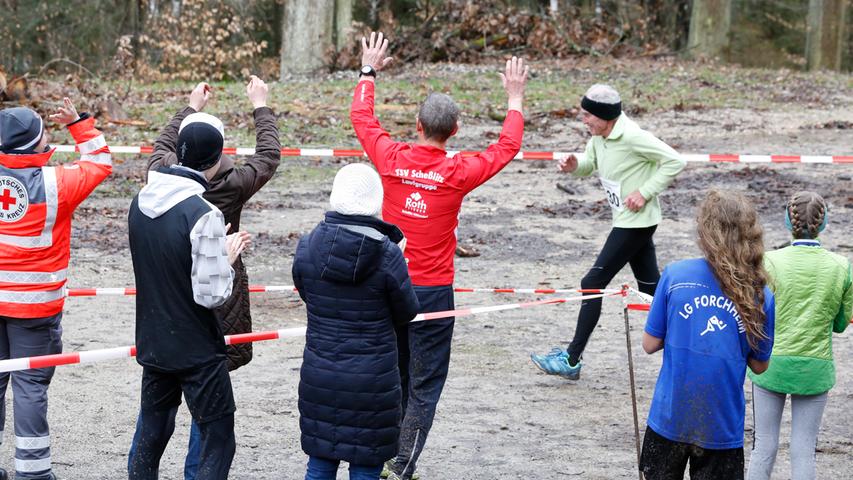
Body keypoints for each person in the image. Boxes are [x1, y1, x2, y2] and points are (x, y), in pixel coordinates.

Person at [350, 32, 528, 480]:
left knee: (391, 374)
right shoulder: (457, 171)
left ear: (416, 124)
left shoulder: (391, 157)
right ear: (455, 132)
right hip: (430, 294)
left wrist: (368, 71)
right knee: (423, 384)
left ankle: (379, 455)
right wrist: (515, 97)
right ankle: (399, 465)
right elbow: (506, 149)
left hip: (387, 286)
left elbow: (362, 117)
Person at [127, 76, 280, 480]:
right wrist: (227, 258)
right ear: (218, 158)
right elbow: (211, 292)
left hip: (155, 336)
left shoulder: (143, 196)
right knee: (216, 432)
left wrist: (190, 107)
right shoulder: (213, 207)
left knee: (152, 430)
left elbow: (162, 146)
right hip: (198, 340)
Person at [530, 84, 686, 380]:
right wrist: (576, 165)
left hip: (636, 222)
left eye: (588, 115)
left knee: (593, 281)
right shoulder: (598, 137)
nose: (583, 120)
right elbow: (591, 164)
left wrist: (645, 191)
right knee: (651, 289)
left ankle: (571, 359)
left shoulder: (634, 137)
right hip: (627, 220)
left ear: (606, 116)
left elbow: (675, 161)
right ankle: (688, 349)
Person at [0, 98, 112, 480]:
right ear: (34, 143)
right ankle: (32, 473)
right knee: (30, 386)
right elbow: (100, 162)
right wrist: (78, 124)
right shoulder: (56, 183)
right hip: (35, 308)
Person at [292, 163, 420, 480]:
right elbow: (407, 312)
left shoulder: (307, 247)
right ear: (375, 201)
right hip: (373, 382)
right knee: (366, 466)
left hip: (320, 375)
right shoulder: (388, 255)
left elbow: (307, 293)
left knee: (319, 463)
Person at [640, 189, 775, 480]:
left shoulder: (676, 275)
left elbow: (650, 343)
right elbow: (760, 366)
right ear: (750, 235)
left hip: (670, 415)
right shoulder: (759, 293)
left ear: (705, 231)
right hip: (722, 423)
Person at [746, 191, 851, 480]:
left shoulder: (768, 262)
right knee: (803, 450)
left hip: (771, 365)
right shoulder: (842, 266)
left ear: (786, 221)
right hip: (815, 368)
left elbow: (756, 315)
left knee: (763, 446)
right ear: (825, 222)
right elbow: (841, 323)